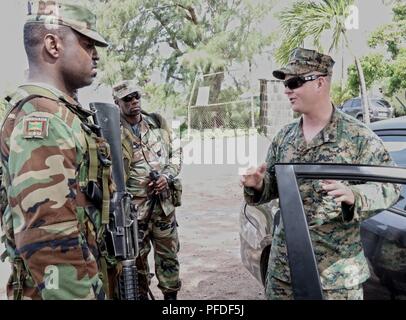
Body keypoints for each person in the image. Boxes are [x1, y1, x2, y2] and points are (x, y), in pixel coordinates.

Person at [240, 47, 401, 300]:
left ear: (320, 82)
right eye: (285, 83)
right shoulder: (285, 137)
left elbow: (390, 187)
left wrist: (354, 195)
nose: (287, 90)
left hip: (335, 279)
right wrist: (258, 184)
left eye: (294, 82)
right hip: (284, 273)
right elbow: (272, 187)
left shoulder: (359, 137)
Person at [0, 1, 114, 300]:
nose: (96, 55)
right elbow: (48, 244)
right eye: (87, 44)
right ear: (52, 44)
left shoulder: (59, 113)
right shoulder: (43, 121)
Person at [113, 80, 182, 300]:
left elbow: (176, 156)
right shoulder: (113, 131)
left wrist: (166, 177)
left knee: (169, 259)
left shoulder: (157, 123)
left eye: (136, 96)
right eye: (127, 99)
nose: (134, 102)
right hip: (133, 214)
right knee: (136, 266)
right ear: (117, 102)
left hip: (163, 207)